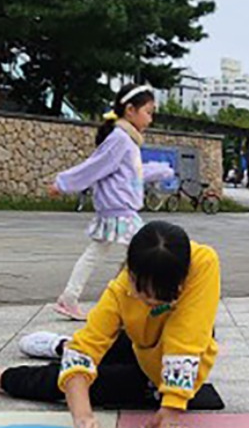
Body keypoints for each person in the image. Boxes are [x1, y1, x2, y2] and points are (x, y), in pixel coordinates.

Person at [0, 222, 223, 428]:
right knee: (66, 379)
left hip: (159, 367)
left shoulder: (203, 264)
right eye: (139, 293)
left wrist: (172, 406)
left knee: (105, 384)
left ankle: (42, 353)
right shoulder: (122, 289)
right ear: (130, 272)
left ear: (180, 284)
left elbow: (186, 340)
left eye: (154, 302)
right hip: (137, 340)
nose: (140, 300)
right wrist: (82, 417)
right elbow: (85, 351)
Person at [49, 84, 173, 321]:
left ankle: (74, 298)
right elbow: (94, 166)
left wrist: (160, 170)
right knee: (143, 254)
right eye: (148, 111)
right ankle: (129, 301)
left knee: (104, 254)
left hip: (119, 209)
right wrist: (63, 183)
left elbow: (131, 175)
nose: (151, 117)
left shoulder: (127, 140)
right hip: (120, 211)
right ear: (130, 110)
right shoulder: (120, 140)